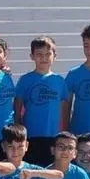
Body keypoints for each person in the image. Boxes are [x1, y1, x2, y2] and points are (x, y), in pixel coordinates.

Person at [15, 36, 68, 167]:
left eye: (48, 54)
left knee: (50, 171)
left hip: (53, 136)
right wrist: (19, 132)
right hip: (31, 135)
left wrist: (64, 131)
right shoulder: (25, 80)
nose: (44, 58)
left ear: (54, 56)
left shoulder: (59, 81)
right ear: (32, 56)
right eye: (39, 54)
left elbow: (64, 109)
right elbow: (16, 108)